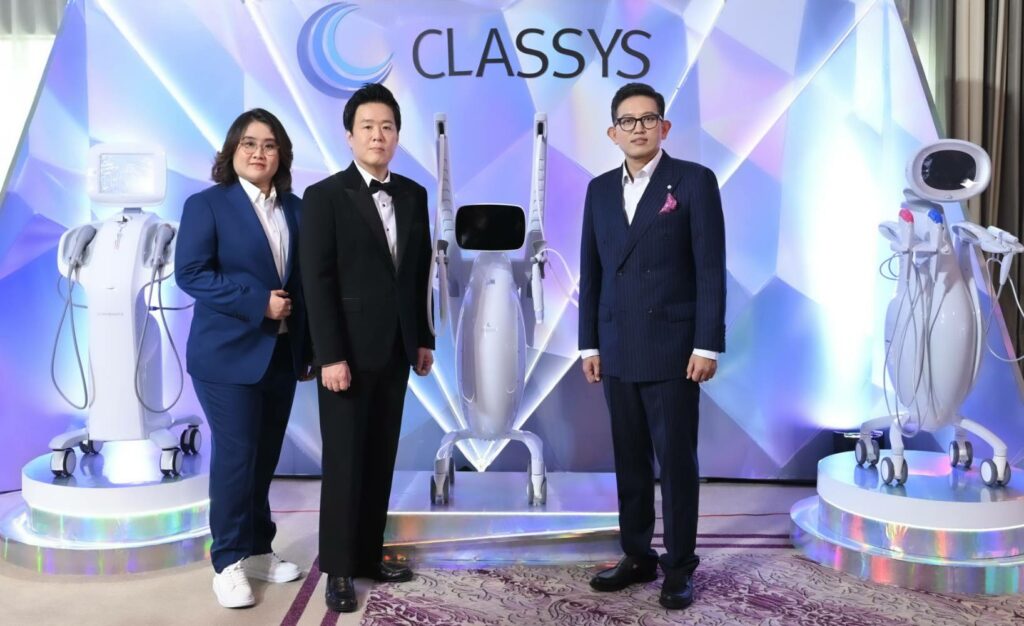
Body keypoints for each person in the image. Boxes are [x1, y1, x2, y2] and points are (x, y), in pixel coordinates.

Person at [577, 82, 726, 610]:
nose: (638, 128)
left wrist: (707, 344)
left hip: (674, 349)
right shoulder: (598, 190)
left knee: (676, 464)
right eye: (628, 120)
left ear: (664, 127)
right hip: (617, 344)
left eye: (648, 119)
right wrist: (588, 344)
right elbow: (591, 271)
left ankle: (679, 566)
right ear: (612, 132)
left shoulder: (693, 181)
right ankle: (637, 554)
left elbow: (710, 269)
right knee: (630, 461)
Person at [299, 83, 434, 614]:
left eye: (388, 127)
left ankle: (369, 555)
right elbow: (317, 282)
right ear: (350, 135)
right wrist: (329, 355)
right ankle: (338, 567)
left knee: (380, 458)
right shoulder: (324, 196)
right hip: (347, 355)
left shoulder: (414, 195)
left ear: (397, 135)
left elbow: (417, 274)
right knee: (345, 463)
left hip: (396, 349)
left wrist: (422, 338)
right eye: (368, 127)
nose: (379, 136)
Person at [175, 108, 313, 609]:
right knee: (237, 457)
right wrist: (258, 303)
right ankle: (228, 561)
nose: (259, 153)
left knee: (264, 456)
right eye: (249, 143)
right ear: (232, 150)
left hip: (280, 353)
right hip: (226, 356)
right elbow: (191, 273)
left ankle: (257, 549)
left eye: (270, 145)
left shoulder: (296, 209)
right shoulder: (207, 205)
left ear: (281, 156)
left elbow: (306, 283)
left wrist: (310, 348)